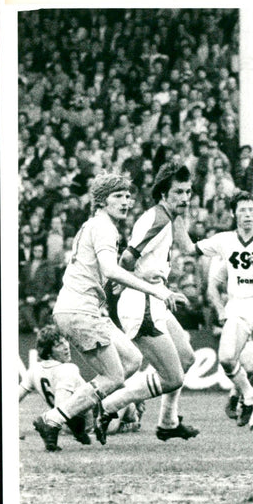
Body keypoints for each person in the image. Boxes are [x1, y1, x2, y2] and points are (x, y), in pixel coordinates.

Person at [32, 173, 187, 452]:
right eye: (118, 196)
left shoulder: (95, 225)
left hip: (85, 309)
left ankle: (77, 414)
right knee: (113, 377)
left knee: (132, 358)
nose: (126, 202)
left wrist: (111, 285)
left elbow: (101, 270)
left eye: (128, 196)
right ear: (102, 201)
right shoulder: (104, 227)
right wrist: (158, 291)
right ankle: (54, 419)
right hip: (81, 310)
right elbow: (110, 267)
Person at [94, 163, 200, 444]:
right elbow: (127, 258)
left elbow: (185, 247)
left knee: (187, 357)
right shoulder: (158, 219)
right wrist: (121, 282)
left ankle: (167, 423)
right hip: (141, 303)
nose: (185, 198)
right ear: (164, 192)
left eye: (188, 191)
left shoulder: (167, 217)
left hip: (154, 298)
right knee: (173, 377)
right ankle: (106, 406)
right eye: (179, 192)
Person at [181, 190, 253, 430]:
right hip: (238, 306)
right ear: (234, 214)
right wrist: (174, 217)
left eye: (251, 209)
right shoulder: (224, 240)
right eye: (242, 210)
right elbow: (190, 248)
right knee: (226, 358)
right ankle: (247, 394)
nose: (247, 214)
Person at [20, 326, 143, 437]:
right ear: (47, 350)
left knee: (118, 391)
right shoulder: (68, 369)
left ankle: (130, 417)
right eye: (58, 345)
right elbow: (60, 406)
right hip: (91, 425)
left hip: (71, 424)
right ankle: (133, 417)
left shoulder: (33, 371)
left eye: (65, 342)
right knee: (124, 396)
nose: (66, 347)